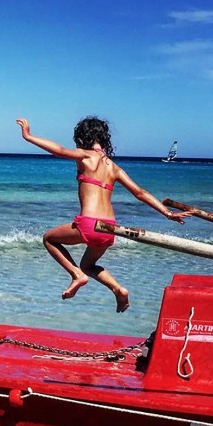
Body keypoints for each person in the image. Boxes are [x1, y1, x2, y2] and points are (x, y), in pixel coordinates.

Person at [16, 117, 191, 312]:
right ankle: (118, 289)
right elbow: (140, 193)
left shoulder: (85, 156)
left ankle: (76, 275)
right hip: (109, 228)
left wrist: (29, 136)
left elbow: (59, 150)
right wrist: (167, 213)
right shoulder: (114, 167)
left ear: (82, 137)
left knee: (49, 239)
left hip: (89, 224)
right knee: (89, 265)